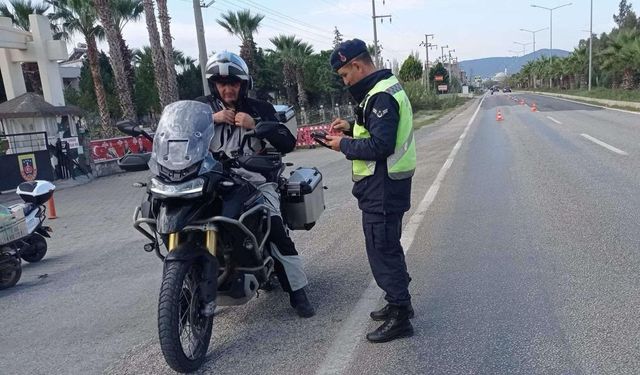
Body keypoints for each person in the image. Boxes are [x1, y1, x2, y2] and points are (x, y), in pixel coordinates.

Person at [196, 51, 315, 318]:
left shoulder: (260, 108)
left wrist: (257, 124)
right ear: (214, 85)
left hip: (255, 180)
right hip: (209, 179)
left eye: (233, 83)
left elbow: (287, 142)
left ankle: (298, 292)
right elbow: (176, 132)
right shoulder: (201, 108)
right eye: (222, 83)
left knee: (273, 226)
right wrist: (209, 119)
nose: (227, 89)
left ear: (243, 84)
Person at [325, 39, 417, 342]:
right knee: (388, 245)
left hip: (383, 187)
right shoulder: (384, 89)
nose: (345, 81)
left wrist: (343, 145)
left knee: (382, 249)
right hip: (386, 185)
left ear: (357, 65)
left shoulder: (380, 97)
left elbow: (381, 145)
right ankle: (398, 304)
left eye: (345, 75)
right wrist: (351, 128)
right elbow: (377, 133)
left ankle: (400, 315)